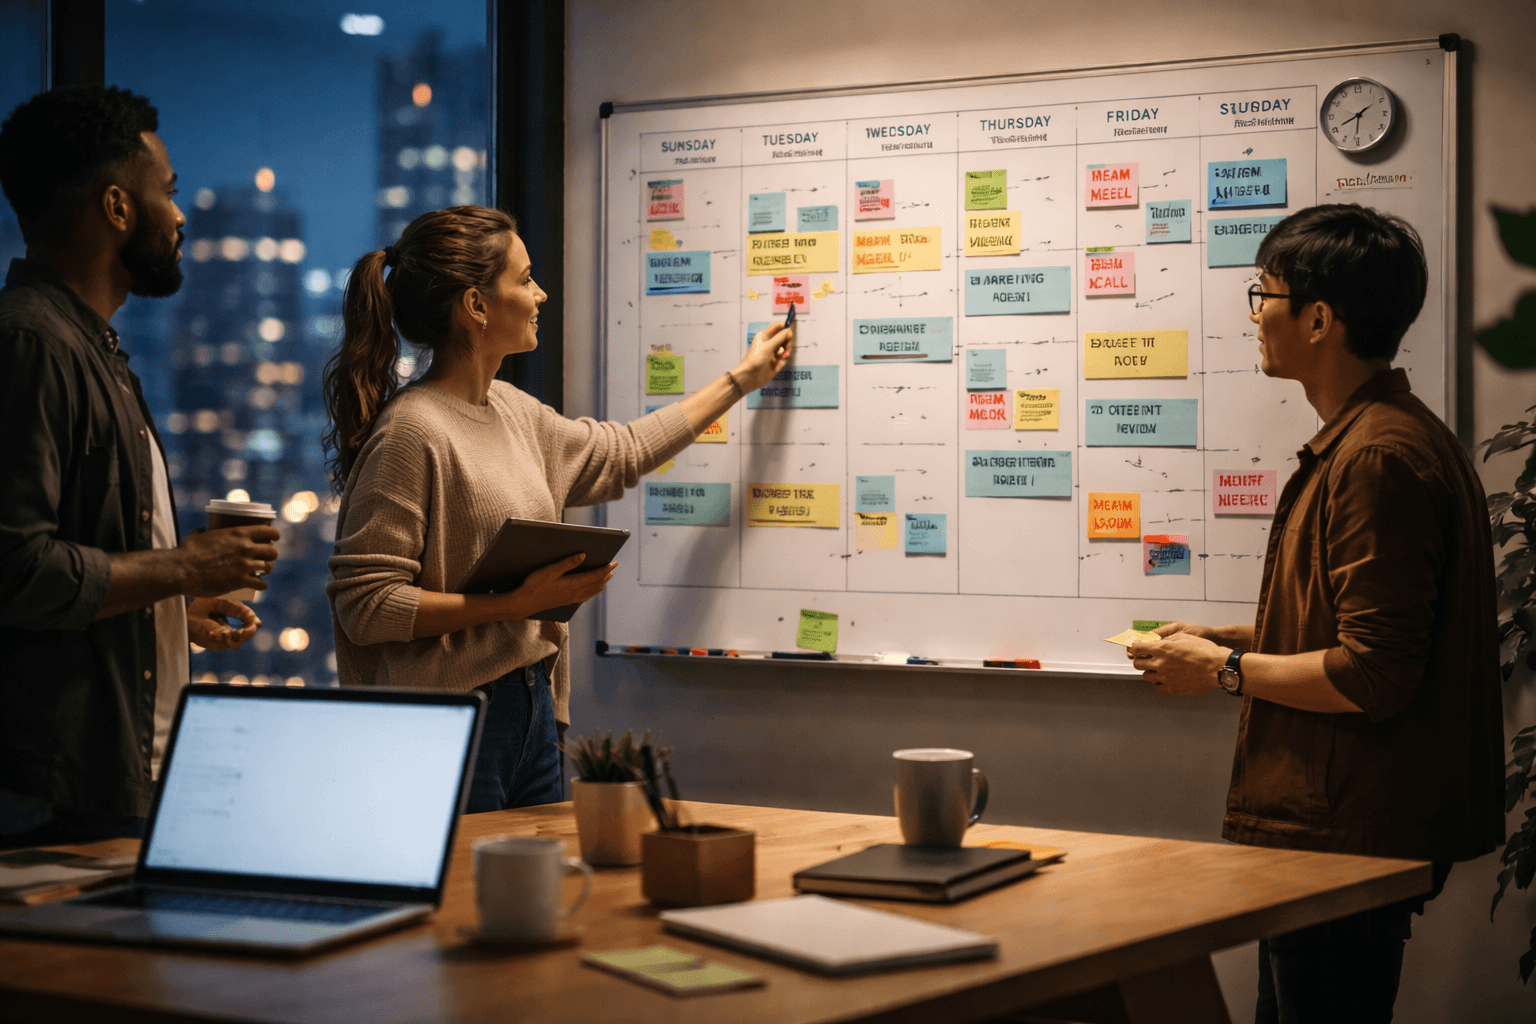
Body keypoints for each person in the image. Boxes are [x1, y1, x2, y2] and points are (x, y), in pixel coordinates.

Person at [1125, 204, 1504, 1023]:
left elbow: (1374, 673)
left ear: (1320, 318)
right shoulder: (1379, 439)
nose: (1256, 314)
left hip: (1345, 836)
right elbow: (1367, 630)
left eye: (1264, 294)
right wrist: (1226, 638)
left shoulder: (1377, 459)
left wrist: (1223, 671)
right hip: (1339, 828)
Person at [323, 205, 793, 812]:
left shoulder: (514, 411)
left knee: (531, 899)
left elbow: (621, 452)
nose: (540, 293)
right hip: (448, 726)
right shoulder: (413, 433)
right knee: (471, 903)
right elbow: (367, 606)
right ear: (476, 305)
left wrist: (741, 379)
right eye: (524, 279)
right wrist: (515, 605)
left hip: (532, 707)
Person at [0, 87, 280, 848]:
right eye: (170, 192)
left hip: (114, 773)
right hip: (56, 794)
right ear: (118, 207)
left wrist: (163, 618)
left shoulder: (92, 348)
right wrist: (184, 568)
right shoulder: (33, 345)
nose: (181, 216)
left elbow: (80, 569)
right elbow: (16, 568)